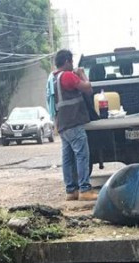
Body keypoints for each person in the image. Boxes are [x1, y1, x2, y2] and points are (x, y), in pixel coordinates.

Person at [51, 49, 96, 201]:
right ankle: (84, 189)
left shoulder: (54, 78)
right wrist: (82, 73)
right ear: (67, 62)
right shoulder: (68, 76)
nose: (73, 65)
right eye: (71, 62)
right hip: (73, 122)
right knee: (82, 155)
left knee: (68, 158)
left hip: (62, 123)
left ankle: (71, 190)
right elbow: (88, 89)